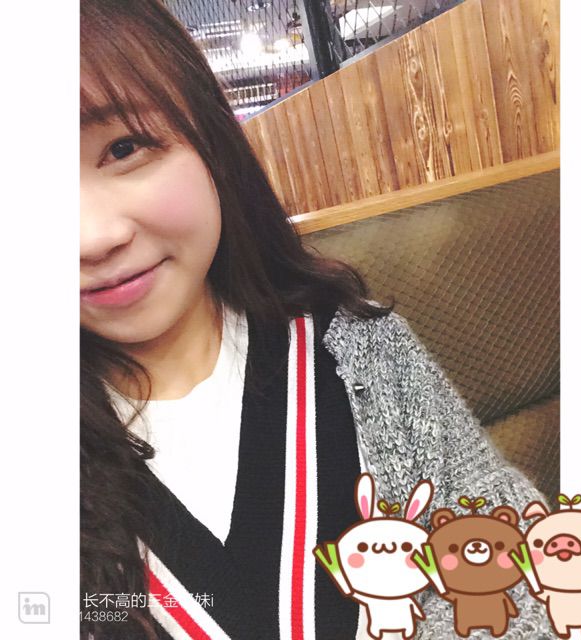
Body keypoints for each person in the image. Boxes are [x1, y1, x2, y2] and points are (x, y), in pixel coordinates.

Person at [80, 1, 555, 639]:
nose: (92, 237)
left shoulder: (360, 347)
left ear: (210, 140)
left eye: (124, 147)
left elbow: (511, 565)